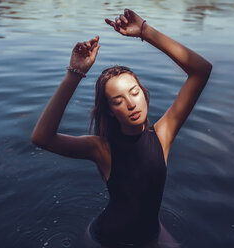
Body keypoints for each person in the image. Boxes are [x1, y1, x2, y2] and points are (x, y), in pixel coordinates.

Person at [31, 8, 212, 248]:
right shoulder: (101, 148)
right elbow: (42, 138)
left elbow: (201, 71)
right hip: (108, 241)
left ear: (144, 94)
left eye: (134, 92)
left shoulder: (163, 134)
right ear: (109, 111)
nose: (130, 103)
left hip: (152, 235)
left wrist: (145, 31)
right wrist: (74, 74)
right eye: (117, 101)